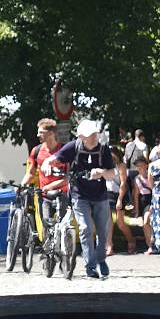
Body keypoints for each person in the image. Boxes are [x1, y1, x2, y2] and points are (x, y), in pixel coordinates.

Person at [42, 120, 116, 279]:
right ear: (82, 136)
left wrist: (101, 172)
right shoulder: (74, 147)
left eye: (95, 133)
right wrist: (47, 163)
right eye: (91, 135)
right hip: (79, 195)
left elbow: (112, 173)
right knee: (85, 228)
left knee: (102, 231)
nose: (95, 137)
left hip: (100, 195)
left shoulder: (103, 150)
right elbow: (55, 158)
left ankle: (101, 260)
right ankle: (90, 267)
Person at [19, 118, 68, 236]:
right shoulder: (37, 151)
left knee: (61, 225)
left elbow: (68, 177)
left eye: (41, 132)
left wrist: (51, 186)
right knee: (45, 224)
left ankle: (62, 251)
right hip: (44, 196)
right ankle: (47, 252)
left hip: (61, 194)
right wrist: (22, 185)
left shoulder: (64, 151)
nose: (37, 135)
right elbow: (30, 173)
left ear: (51, 133)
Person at [105, 147, 136, 255]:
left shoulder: (121, 166)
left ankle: (131, 240)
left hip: (119, 194)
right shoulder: (104, 165)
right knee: (108, 222)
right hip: (107, 193)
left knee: (120, 222)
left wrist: (119, 199)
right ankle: (109, 246)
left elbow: (123, 184)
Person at [133, 157, 156, 253]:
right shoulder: (137, 179)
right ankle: (150, 245)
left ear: (146, 165)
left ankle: (152, 245)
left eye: (141, 165)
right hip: (143, 201)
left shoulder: (152, 175)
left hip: (152, 199)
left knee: (147, 221)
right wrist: (137, 211)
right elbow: (136, 195)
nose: (139, 167)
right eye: (138, 166)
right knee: (145, 223)